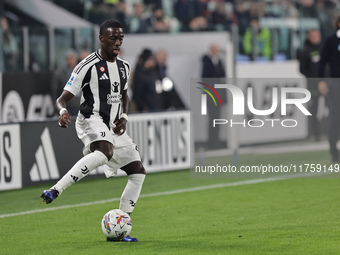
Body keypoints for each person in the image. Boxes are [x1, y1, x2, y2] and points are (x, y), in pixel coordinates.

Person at [40, 20, 146, 242]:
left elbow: (124, 95)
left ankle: (120, 226)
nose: (117, 42)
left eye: (120, 38)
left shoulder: (124, 67)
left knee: (137, 172)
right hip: (90, 118)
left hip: (113, 124)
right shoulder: (86, 66)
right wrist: (61, 112)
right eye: (113, 38)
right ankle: (56, 189)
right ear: (101, 39)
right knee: (105, 151)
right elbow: (62, 98)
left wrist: (124, 117)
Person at [318, 15, 340, 162]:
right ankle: (334, 150)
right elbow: (322, 62)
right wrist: (321, 81)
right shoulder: (331, 40)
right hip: (336, 83)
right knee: (336, 117)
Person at [201, 43, 226, 149]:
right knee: (213, 119)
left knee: (217, 119)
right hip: (211, 96)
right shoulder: (207, 62)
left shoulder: (219, 62)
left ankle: (216, 140)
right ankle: (212, 141)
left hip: (218, 95)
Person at [298, 29, 322, 141]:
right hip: (313, 84)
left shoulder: (325, 48)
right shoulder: (305, 51)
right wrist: (313, 78)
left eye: (317, 35)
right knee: (313, 109)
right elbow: (302, 69)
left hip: (328, 83)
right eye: (313, 36)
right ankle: (316, 134)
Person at [51, 49, 80, 116]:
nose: (70, 61)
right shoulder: (59, 73)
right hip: (67, 106)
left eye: (72, 58)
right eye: (68, 59)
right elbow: (55, 91)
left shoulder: (81, 70)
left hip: (79, 106)